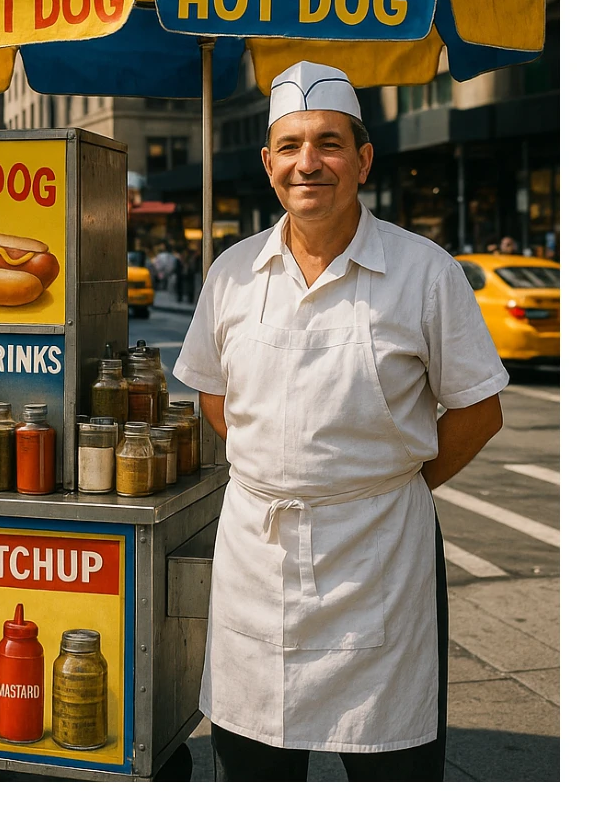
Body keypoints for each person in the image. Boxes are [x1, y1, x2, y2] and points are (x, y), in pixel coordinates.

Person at [173, 61, 507, 783]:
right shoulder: (232, 272)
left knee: (392, 768)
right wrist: (285, 466)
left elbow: (480, 410)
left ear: (362, 159)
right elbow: (212, 393)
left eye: (328, 143)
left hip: (378, 555)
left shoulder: (425, 273)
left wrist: (392, 484)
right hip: (258, 558)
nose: (307, 163)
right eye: (290, 145)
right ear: (268, 164)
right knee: (254, 767)